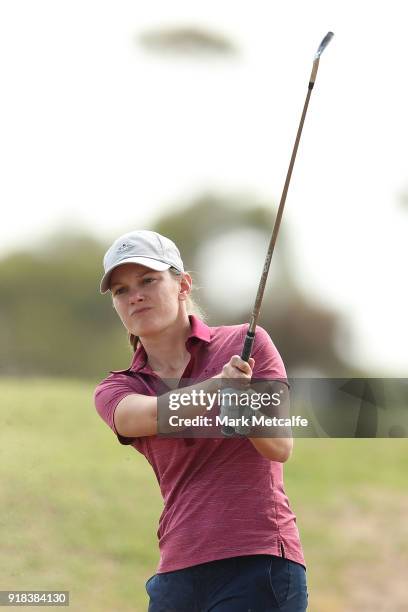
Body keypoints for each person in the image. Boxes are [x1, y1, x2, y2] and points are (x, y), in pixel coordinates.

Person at [94, 229, 308, 611]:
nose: (135, 296)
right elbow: (145, 417)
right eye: (121, 291)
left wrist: (240, 400)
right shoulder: (120, 387)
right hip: (176, 572)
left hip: (258, 561)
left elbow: (279, 447)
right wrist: (218, 386)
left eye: (148, 280)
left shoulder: (247, 343)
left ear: (182, 285)